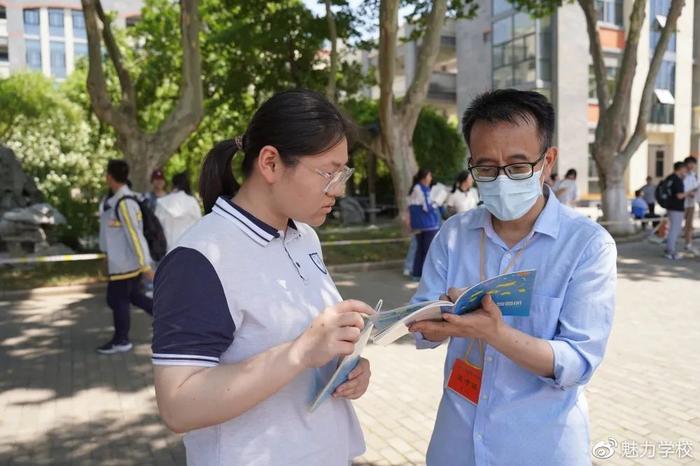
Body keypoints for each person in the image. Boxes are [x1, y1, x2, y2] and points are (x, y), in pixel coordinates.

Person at [151, 89, 375, 465]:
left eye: (343, 172)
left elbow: (305, 346)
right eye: (328, 172)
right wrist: (300, 352)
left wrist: (346, 367)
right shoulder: (200, 259)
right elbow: (178, 406)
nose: (338, 189)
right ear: (270, 163)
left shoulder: (303, 236)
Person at [407, 89, 617, 466]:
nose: (502, 179)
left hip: (540, 446)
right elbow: (421, 320)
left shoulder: (586, 246)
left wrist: (493, 333)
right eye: (486, 168)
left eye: (518, 167)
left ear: (547, 160)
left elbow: (577, 361)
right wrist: (433, 323)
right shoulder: (454, 235)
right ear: (471, 164)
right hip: (457, 444)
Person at [97, 159, 154, 354]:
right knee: (134, 296)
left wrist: (144, 265)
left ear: (109, 177)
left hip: (126, 264)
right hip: (122, 263)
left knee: (117, 299)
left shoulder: (124, 203)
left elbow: (135, 235)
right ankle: (169, 317)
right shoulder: (117, 201)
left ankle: (121, 340)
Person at [154, 172, 202, 253]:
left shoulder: (162, 202)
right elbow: (199, 226)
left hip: (167, 251)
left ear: (173, 184)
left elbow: (155, 228)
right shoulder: (192, 202)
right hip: (189, 249)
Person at [408, 169, 441, 278]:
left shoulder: (418, 187)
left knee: (420, 249)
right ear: (424, 177)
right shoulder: (420, 189)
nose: (431, 178)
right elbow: (427, 207)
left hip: (419, 224)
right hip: (427, 225)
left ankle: (417, 273)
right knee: (427, 250)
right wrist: (436, 204)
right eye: (430, 175)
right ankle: (425, 276)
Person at [664, 162, 691, 260]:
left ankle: (669, 249)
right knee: (674, 230)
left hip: (670, 206)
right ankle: (670, 251)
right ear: (680, 168)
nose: (686, 171)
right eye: (685, 168)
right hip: (676, 208)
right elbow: (679, 195)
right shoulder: (677, 180)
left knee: (673, 229)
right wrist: (689, 192)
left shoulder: (670, 178)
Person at [682, 156, 698, 254]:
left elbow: (697, 187)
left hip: (691, 203)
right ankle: (671, 243)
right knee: (676, 224)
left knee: (689, 225)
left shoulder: (695, 175)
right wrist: (689, 193)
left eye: (693, 163)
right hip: (681, 203)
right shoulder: (682, 174)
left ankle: (688, 243)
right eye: (690, 163)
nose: (692, 165)